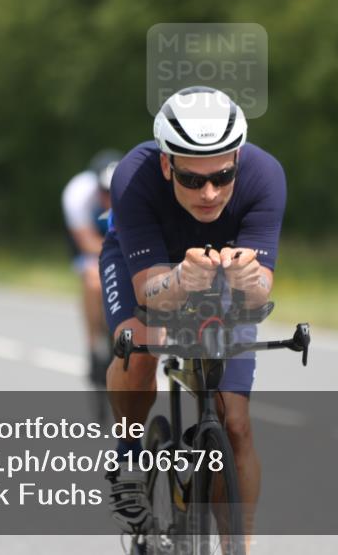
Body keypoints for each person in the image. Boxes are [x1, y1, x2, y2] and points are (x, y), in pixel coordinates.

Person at [100, 86, 286, 543]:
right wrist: (182, 279)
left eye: (223, 176)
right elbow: (150, 294)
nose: (209, 193)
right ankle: (129, 455)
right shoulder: (133, 176)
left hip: (221, 275)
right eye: (192, 179)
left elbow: (259, 293)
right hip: (150, 266)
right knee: (140, 345)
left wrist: (248, 280)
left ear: (238, 158)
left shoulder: (265, 176)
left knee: (235, 423)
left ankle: (237, 546)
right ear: (167, 164)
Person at [62, 150, 122, 401]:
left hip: (122, 242)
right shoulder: (77, 194)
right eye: (104, 192)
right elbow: (86, 242)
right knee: (92, 279)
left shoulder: (135, 191)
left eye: (113, 192)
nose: (109, 199)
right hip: (92, 246)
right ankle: (94, 344)